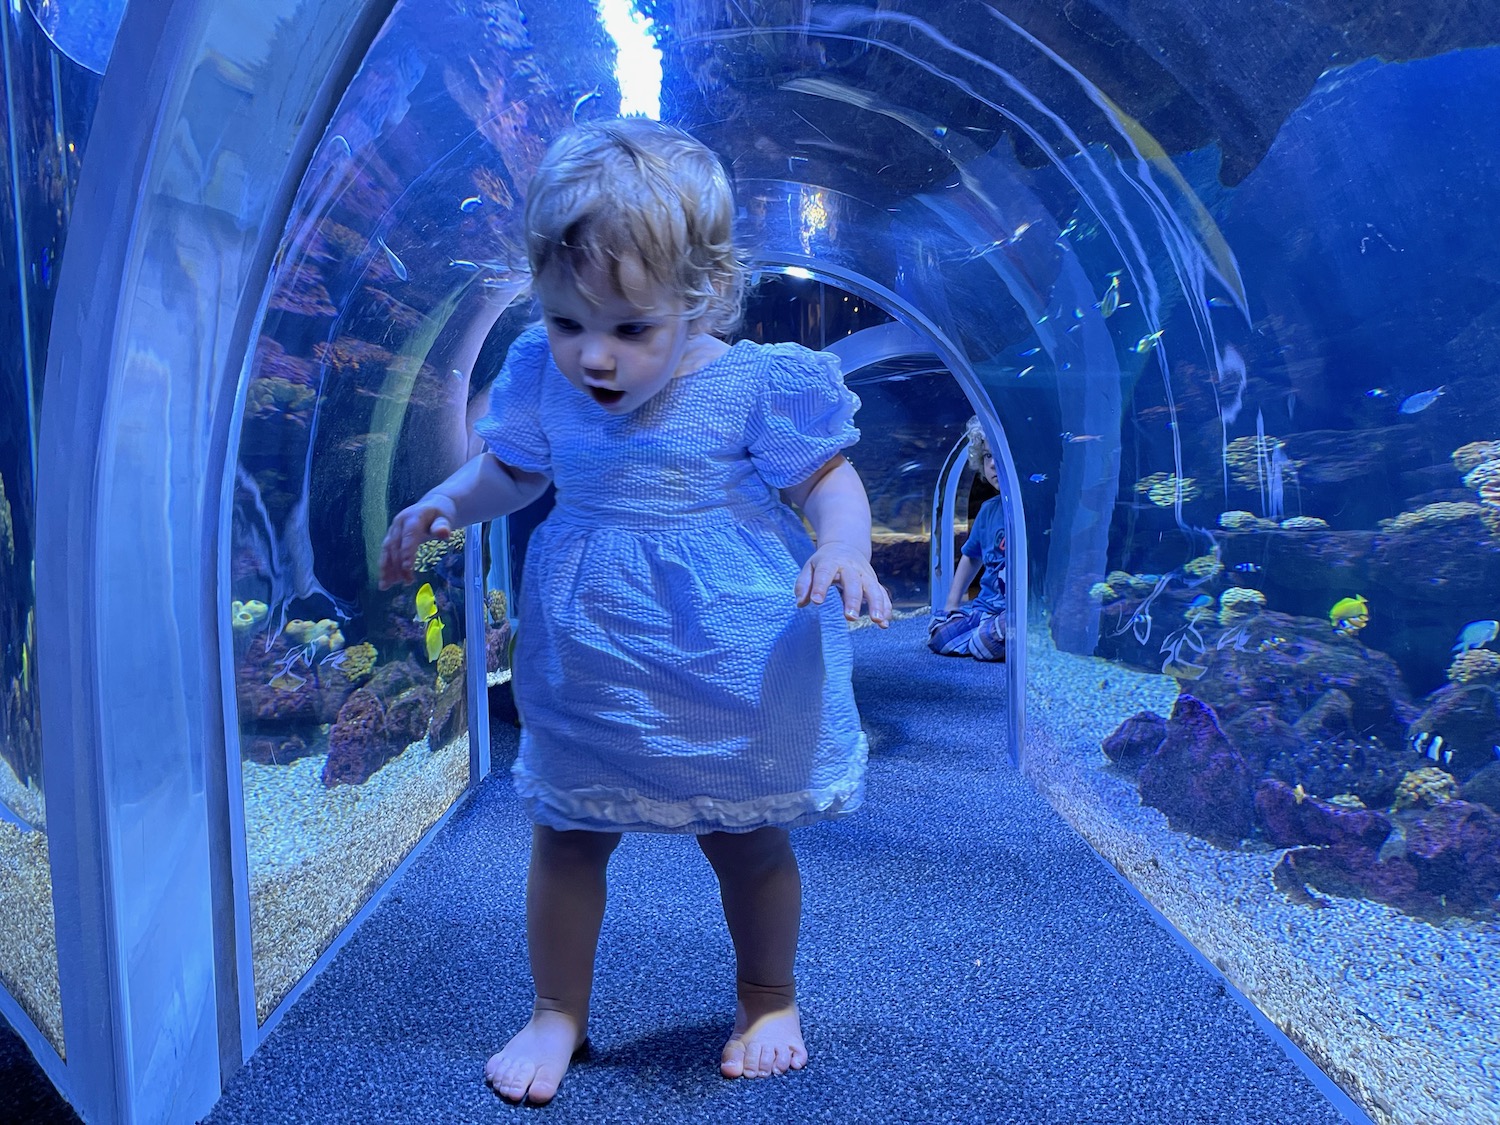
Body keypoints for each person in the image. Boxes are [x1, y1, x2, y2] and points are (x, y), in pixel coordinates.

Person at [378, 117, 891, 1106]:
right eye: (569, 323)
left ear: (699, 298)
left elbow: (827, 476)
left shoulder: (749, 384)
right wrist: (452, 498)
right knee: (568, 831)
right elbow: (516, 472)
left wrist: (843, 543)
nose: (594, 359)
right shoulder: (542, 372)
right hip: (592, 653)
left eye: (629, 328)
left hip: (727, 656)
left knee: (746, 838)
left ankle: (768, 995)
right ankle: (557, 1010)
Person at [928, 416, 1006, 661]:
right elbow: (972, 557)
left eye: (1000, 454)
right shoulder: (988, 510)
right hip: (986, 609)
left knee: (982, 643)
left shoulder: (1035, 514)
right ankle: (989, 634)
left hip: (1019, 613)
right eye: (987, 456)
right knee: (941, 636)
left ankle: (1000, 633)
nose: (993, 464)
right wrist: (952, 605)